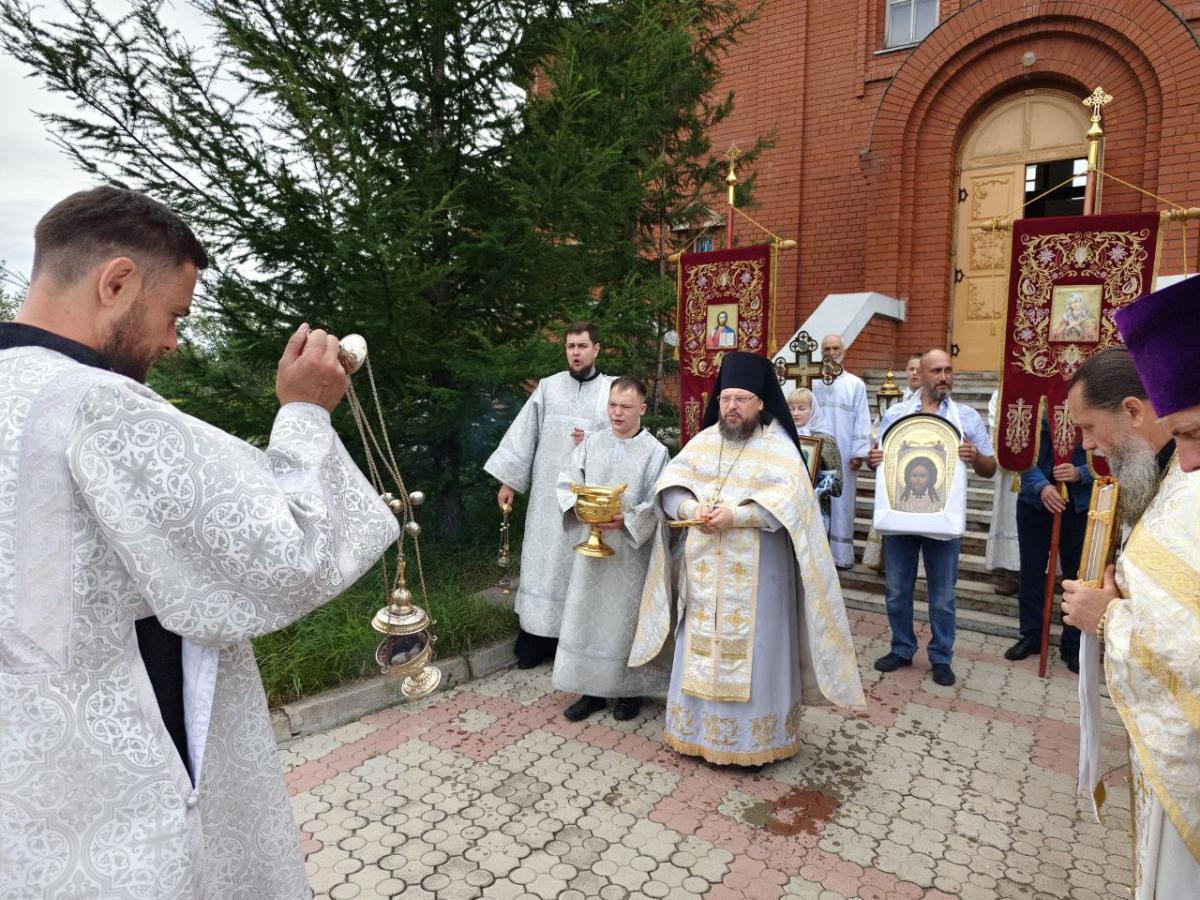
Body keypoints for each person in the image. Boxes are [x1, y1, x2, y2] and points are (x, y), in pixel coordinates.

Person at [0, 187, 398, 899]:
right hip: (118, 793)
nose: (175, 341)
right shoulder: (94, 404)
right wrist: (306, 411)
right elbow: (283, 551)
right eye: (174, 315)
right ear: (116, 281)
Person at [630, 352, 864, 766]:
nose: (732, 407)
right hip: (705, 577)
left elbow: (793, 505)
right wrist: (690, 511)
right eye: (725, 398)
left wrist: (737, 515)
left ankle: (753, 743)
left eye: (741, 399)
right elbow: (670, 486)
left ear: (760, 403)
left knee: (757, 651)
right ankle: (695, 731)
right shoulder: (704, 442)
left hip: (762, 579)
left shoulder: (780, 448)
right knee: (701, 645)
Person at [1060, 342, 1198, 896]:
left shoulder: (1188, 480)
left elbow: (1188, 649)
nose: (1087, 444)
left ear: (1135, 412)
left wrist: (1108, 617)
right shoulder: (1165, 473)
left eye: (1090, 427)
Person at [485, 322, 614, 668]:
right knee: (543, 565)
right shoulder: (549, 387)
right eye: (570, 346)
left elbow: (624, 437)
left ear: (596, 349)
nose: (575, 352)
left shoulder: (611, 391)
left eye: (582, 346)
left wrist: (591, 436)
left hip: (587, 496)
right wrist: (508, 482)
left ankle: (570, 646)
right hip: (546, 494)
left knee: (577, 566)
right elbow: (523, 433)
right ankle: (534, 642)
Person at [869, 348, 996, 686]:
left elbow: (989, 468)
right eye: (936, 371)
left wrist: (974, 456)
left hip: (943, 521)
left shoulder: (966, 417)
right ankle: (901, 647)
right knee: (897, 589)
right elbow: (882, 459)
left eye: (948, 370)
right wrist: (875, 459)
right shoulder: (896, 413)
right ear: (920, 375)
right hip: (902, 518)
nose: (944, 377)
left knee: (942, 595)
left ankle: (941, 656)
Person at [552, 377, 670, 722]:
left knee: (625, 621)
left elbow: (658, 502)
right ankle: (591, 690)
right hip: (591, 551)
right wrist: (576, 507)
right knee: (589, 616)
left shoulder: (655, 452)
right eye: (612, 406)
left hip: (631, 555)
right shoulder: (591, 444)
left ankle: (629, 692)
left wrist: (627, 521)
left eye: (626, 407)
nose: (617, 413)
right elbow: (566, 479)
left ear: (642, 410)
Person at [1003, 414, 1090, 672]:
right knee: (1031, 572)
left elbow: (1107, 454)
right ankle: (1031, 635)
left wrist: (1080, 473)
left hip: (1078, 505)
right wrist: (1042, 486)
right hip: (1035, 502)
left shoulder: (1091, 397)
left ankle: (1072, 643)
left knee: (1076, 576)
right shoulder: (1034, 400)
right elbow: (1020, 453)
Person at [812, 333, 871, 568]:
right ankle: (817, 556)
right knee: (815, 499)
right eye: (826, 349)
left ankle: (840, 556)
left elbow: (862, 419)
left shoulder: (855, 384)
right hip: (815, 452)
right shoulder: (812, 382)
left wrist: (859, 452)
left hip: (844, 452)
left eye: (835, 348)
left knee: (842, 502)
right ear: (821, 353)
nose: (831, 353)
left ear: (844, 351)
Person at [787, 386, 842, 535]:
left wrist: (814, 483)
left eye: (801, 408)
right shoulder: (782, 437)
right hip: (787, 508)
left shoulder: (825, 440)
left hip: (815, 509)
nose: (795, 413)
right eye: (791, 408)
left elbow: (837, 486)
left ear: (813, 410)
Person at [984, 389, 1021, 596]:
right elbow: (995, 421)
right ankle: (1011, 572)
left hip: (1043, 466)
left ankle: (1039, 574)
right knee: (1009, 517)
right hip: (1012, 466)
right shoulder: (1003, 389)